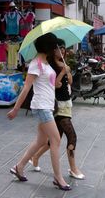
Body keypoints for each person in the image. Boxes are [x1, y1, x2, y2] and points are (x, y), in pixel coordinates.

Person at [7, 33, 71, 191]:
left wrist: (63, 74)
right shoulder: (36, 63)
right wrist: (15, 109)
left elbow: (51, 85)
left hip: (47, 105)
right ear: (49, 47)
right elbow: (27, 87)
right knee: (55, 140)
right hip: (41, 107)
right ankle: (58, 178)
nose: (58, 48)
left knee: (41, 141)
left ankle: (19, 167)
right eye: (55, 46)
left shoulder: (46, 63)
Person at [29, 39, 85, 180]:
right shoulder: (51, 66)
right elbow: (55, 85)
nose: (62, 50)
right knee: (72, 137)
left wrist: (68, 72)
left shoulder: (63, 64)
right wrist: (62, 72)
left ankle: (35, 157)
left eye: (64, 48)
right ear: (53, 50)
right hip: (58, 106)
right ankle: (73, 169)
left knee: (55, 139)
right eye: (59, 48)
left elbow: (69, 83)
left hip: (67, 104)